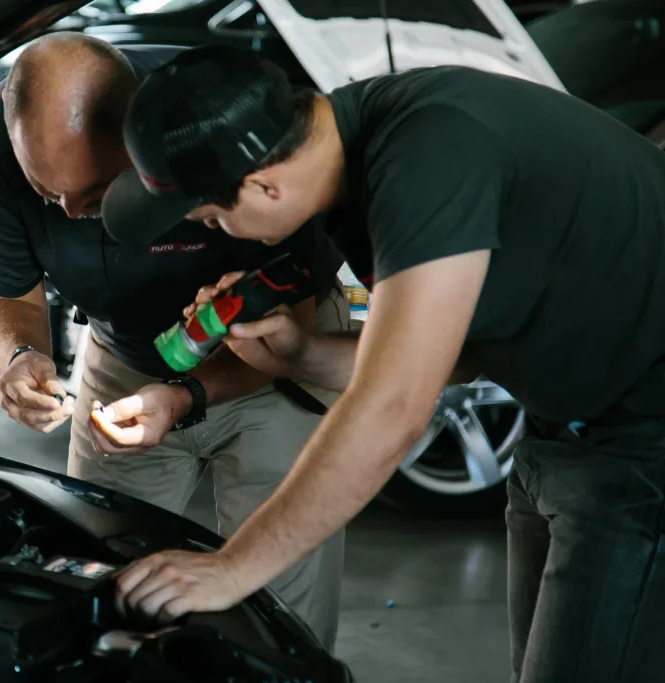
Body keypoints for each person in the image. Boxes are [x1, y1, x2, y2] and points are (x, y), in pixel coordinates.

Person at [101, 45, 665, 683]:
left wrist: (234, 567)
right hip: (565, 432)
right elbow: (448, 361)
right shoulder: (356, 164)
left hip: (646, 439)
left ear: (263, 184)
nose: (223, 234)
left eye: (213, 215)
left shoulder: (427, 155)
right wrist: (301, 355)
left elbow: (394, 405)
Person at [0, 33, 350, 648]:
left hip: (270, 367)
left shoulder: (217, 117)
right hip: (123, 365)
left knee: (278, 608)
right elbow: (8, 294)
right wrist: (18, 357)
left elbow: (290, 331)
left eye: (92, 194)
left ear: (143, 143)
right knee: (102, 578)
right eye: (45, 193)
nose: (65, 212)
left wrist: (188, 395)